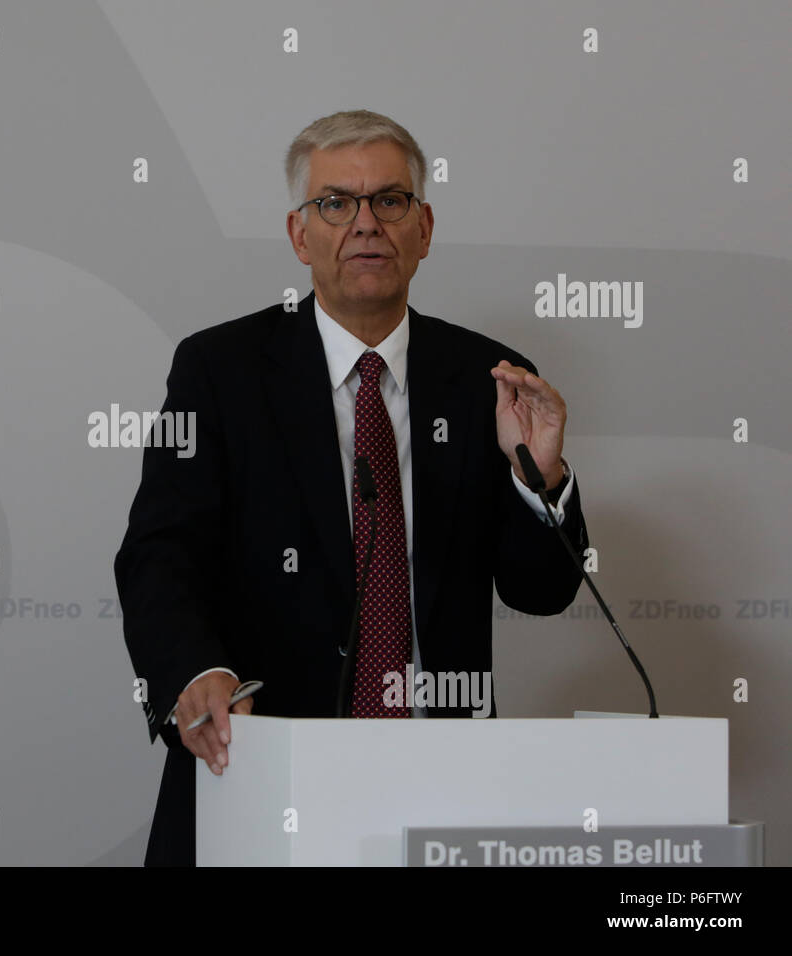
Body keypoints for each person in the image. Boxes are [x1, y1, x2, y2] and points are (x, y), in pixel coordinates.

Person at [114, 110, 589, 867]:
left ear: (424, 228)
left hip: (441, 793)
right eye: (336, 203)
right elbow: (160, 553)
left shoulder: (489, 380)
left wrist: (544, 477)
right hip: (259, 772)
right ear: (301, 235)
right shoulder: (220, 370)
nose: (365, 223)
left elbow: (541, 591)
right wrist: (198, 672)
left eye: (389, 201)